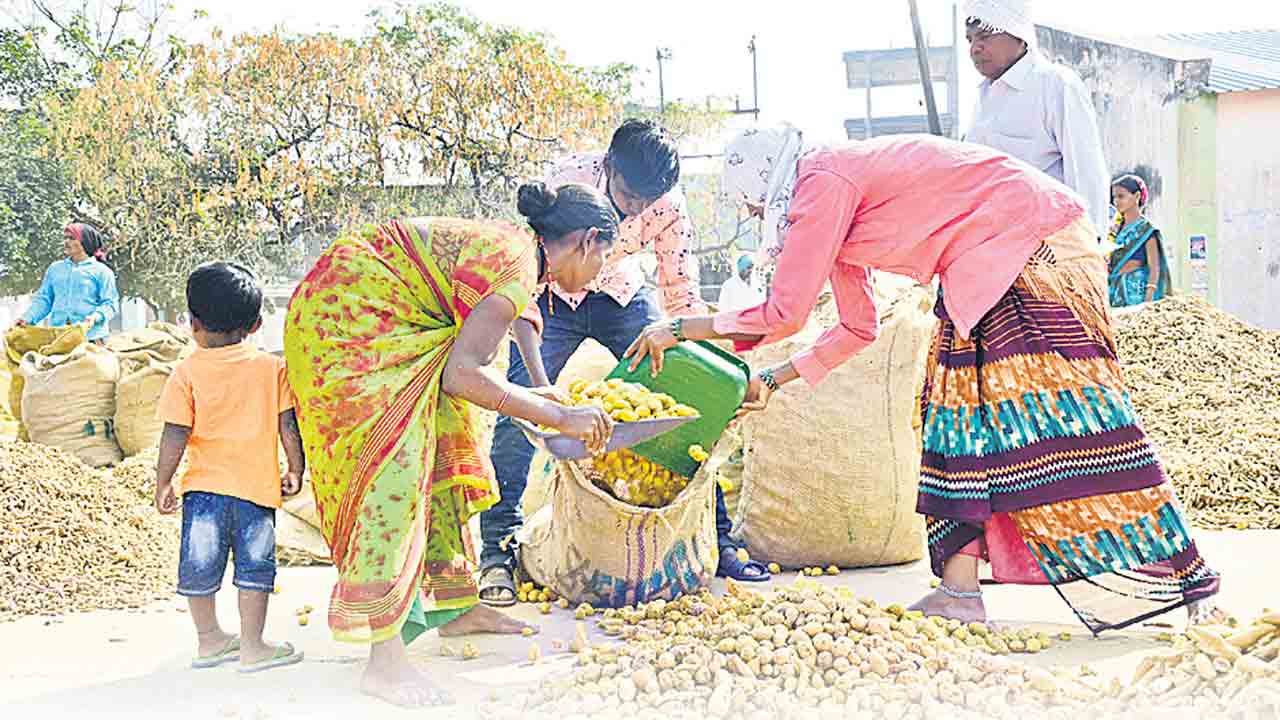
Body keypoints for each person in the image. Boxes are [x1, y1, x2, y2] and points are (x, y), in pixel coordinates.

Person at [625, 124, 1222, 634]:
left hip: (1027, 243)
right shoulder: (830, 201)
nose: (758, 217)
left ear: (766, 184)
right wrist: (774, 380)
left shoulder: (822, 181)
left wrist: (680, 329)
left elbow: (786, 313)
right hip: (981, 262)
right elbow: (857, 327)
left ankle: (1187, 573)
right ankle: (960, 591)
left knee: (1070, 420)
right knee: (954, 420)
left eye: (755, 206)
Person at [282, 182, 617, 707]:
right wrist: (558, 415)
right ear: (588, 241)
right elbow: (464, 374)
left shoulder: (520, 254)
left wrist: (541, 393)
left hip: (389, 322)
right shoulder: (515, 264)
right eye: (605, 256)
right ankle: (385, 660)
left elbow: (516, 320)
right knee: (391, 477)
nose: (602, 271)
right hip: (345, 324)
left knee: (440, 450)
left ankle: (456, 607)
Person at [478, 119, 769, 607]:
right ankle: (497, 551)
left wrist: (705, 365)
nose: (635, 209)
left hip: (619, 298)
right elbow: (528, 267)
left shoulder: (668, 209)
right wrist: (541, 386)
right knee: (519, 409)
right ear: (608, 166)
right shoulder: (567, 176)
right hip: (551, 299)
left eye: (645, 203)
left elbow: (680, 294)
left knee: (685, 401)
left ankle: (718, 539)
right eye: (628, 195)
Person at [154, 262, 306, 673]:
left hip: (203, 490)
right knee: (255, 568)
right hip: (256, 491)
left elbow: (175, 432)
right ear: (256, 324)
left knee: (200, 564)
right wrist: (296, 468)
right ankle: (253, 646)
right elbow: (287, 424)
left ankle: (209, 641)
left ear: (193, 323)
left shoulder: (185, 372)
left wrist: (163, 481)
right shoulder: (272, 368)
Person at [961, 0, 1113, 238]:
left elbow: (1086, 174)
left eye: (984, 36)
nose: (974, 49)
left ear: (1018, 34)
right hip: (991, 252)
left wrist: (1090, 254)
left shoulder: (1055, 85)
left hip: (1048, 251)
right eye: (970, 40)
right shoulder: (982, 100)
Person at [14, 223, 120, 343]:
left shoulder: (102, 272)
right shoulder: (55, 269)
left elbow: (110, 304)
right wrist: (27, 318)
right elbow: (44, 300)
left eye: (71, 238)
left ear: (85, 242)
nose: (66, 242)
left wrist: (95, 317)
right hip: (59, 336)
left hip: (91, 338)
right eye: (65, 238)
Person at [1108, 174, 1171, 307]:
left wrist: (1148, 301)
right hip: (1113, 292)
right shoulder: (1114, 229)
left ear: (1136, 196)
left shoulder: (1146, 230)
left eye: (1121, 196)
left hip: (1135, 294)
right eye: (1114, 197)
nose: (1116, 202)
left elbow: (1154, 268)